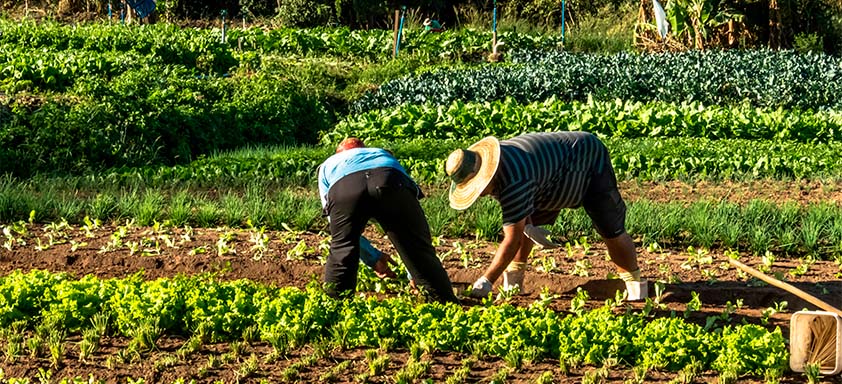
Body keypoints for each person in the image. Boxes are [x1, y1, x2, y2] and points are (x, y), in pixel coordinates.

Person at [444, 132, 642, 298]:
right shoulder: (498, 167)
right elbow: (519, 213)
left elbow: (511, 240)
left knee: (610, 228)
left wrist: (486, 280)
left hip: (586, 158)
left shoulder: (514, 178)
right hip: (548, 175)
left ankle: (635, 287)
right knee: (522, 226)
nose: (479, 194)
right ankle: (514, 284)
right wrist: (528, 224)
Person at [318, 137, 458, 303]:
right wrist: (413, 272)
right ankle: (443, 307)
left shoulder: (329, 164)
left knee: (342, 248)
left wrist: (373, 258)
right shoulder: (380, 154)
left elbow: (338, 231)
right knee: (417, 247)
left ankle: (332, 312)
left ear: (339, 153)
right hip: (389, 178)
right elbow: (408, 231)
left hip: (345, 188)